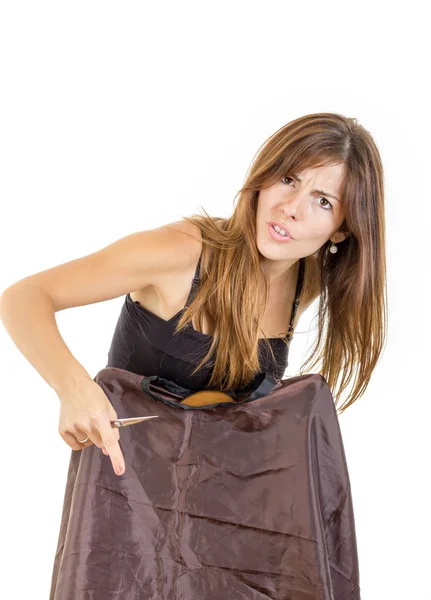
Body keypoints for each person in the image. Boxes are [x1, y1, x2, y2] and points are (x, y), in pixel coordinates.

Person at [0, 115, 385, 591]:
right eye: (288, 178)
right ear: (263, 176)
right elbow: (24, 297)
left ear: (342, 231)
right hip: (129, 508)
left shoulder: (305, 284)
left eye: (322, 201)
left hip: (224, 514)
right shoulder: (182, 253)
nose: (290, 208)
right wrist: (74, 388)